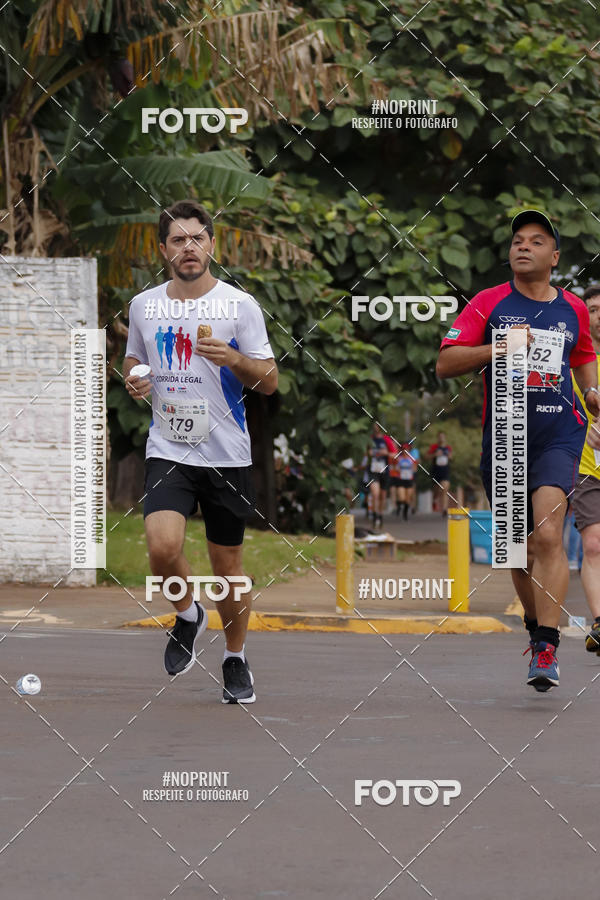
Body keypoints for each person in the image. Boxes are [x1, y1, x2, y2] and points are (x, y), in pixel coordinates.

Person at [436, 209, 599, 691]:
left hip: (559, 432)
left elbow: (584, 356)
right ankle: (535, 627)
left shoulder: (574, 308)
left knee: (548, 533)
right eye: (517, 241)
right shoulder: (489, 303)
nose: (522, 247)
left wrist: (591, 395)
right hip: (505, 435)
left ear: (555, 256)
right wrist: (500, 347)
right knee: (514, 552)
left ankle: (547, 645)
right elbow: (445, 363)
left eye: (535, 241)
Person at [124, 199, 278, 703]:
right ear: (163, 249)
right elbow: (134, 356)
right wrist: (133, 379)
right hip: (169, 447)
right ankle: (188, 613)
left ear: (211, 244)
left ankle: (235, 658)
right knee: (162, 548)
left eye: (197, 238)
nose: (188, 247)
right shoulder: (145, 305)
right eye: (177, 240)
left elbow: (270, 381)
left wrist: (233, 358)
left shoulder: (240, 305)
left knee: (228, 568)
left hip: (226, 453)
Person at [571, 285, 600, 653]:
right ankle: (599, 621)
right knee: (592, 544)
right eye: (591, 308)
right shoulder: (572, 359)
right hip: (585, 467)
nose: (598, 314)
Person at [367, 423, 389, 529]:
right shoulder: (369, 439)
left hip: (384, 470)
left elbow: (395, 454)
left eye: (377, 426)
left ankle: (380, 515)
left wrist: (386, 453)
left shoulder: (386, 440)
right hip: (373, 470)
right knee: (375, 494)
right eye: (373, 426)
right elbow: (364, 453)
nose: (375, 428)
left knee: (382, 496)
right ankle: (375, 516)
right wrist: (368, 453)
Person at [427, 432, 452, 515]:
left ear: (445, 438)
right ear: (438, 438)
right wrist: (435, 454)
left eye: (443, 437)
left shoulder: (448, 448)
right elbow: (427, 456)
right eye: (440, 437)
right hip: (436, 471)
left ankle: (444, 509)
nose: (441, 438)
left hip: (445, 470)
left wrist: (449, 456)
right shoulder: (434, 447)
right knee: (436, 491)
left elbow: (451, 457)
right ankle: (434, 500)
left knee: (445, 489)